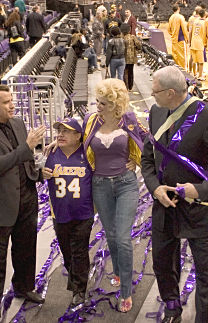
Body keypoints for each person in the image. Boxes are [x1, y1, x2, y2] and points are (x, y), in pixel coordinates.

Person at [141, 66, 208, 323]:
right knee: (162, 263)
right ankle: (172, 309)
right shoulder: (157, 112)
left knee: (206, 272)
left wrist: (200, 189)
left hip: (199, 207)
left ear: (171, 92)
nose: (152, 95)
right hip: (165, 203)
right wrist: (154, 187)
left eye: (156, 91)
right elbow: (148, 160)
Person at [0, 84, 47, 323]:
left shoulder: (17, 123)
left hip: (26, 197)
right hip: (1, 204)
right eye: (6, 102)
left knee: (25, 249)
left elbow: (25, 162)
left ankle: (24, 287)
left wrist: (38, 174)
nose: (12, 105)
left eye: (12, 100)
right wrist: (27, 147)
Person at [83, 78, 148, 313]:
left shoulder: (129, 120)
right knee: (110, 234)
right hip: (100, 185)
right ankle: (120, 273)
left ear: (115, 104)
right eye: (97, 101)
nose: (97, 105)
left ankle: (126, 292)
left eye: (103, 103)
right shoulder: (90, 121)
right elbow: (76, 141)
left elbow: (148, 142)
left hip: (125, 184)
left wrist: (137, 160)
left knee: (122, 237)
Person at [42, 117, 94, 307]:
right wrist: (41, 173)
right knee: (67, 252)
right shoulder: (52, 153)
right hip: (60, 214)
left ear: (78, 135)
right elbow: (36, 172)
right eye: (59, 131)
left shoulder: (88, 154)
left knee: (79, 251)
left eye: (66, 131)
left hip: (84, 214)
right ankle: (76, 280)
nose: (60, 134)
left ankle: (79, 290)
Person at [168, 4, 189, 70]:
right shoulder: (180, 17)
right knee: (183, 57)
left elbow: (168, 29)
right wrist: (187, 38)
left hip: (174, 40)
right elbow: (184, 29)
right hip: (180, 39)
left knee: (175, 57)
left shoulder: (171, 17)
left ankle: (177, 70)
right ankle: (184, 72)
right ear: (178, 9)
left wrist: (172, 35)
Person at [121, 23, 141, 91]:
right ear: (129, 30)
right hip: (132, 58)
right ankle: (130, 87)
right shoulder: (133, 37)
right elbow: (139, 46)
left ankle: (125, 86)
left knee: (124, 72)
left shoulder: (122, 38)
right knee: (131, 72)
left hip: (123, 58)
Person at [189, 8, 206, 80]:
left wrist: (190, 41)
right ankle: (200, 76)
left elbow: (190, 32)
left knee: (194, 59)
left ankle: (194, 73)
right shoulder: (204, 23)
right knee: (201, 61)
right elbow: (205, 34)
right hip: (199, 43)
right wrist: (205, 43)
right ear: (204, 15)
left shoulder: (195, 21)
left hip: (193, 41)